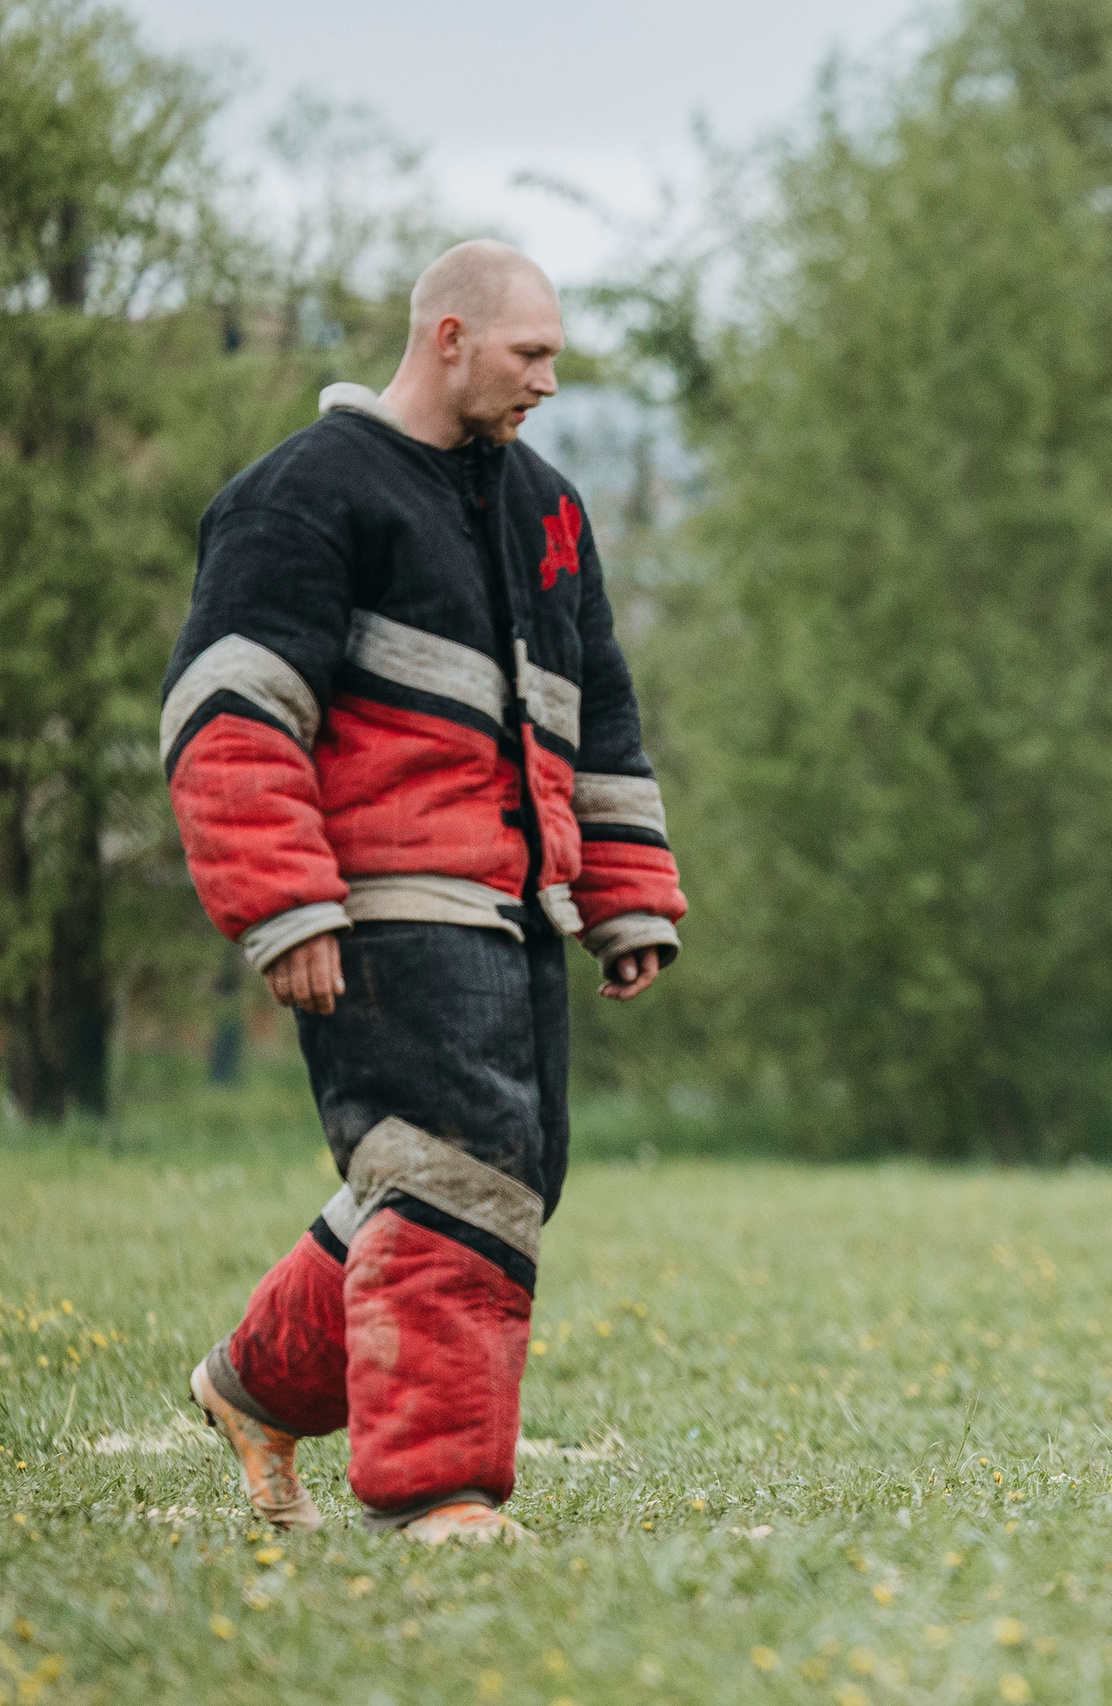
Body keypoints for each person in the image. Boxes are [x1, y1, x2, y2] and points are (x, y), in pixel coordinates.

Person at [160, 239, 685, 1543]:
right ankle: (435, 1493)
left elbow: (600, 712)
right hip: (380, 903)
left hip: (518, 910)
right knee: (460, 1172)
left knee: (505, 1171)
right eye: (531, 355)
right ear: (447, 337)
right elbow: (227, 712)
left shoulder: (549, 508)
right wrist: (285, 905)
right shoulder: (302, 495)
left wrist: (624, 896)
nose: (550, 382)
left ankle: (252, 1385)